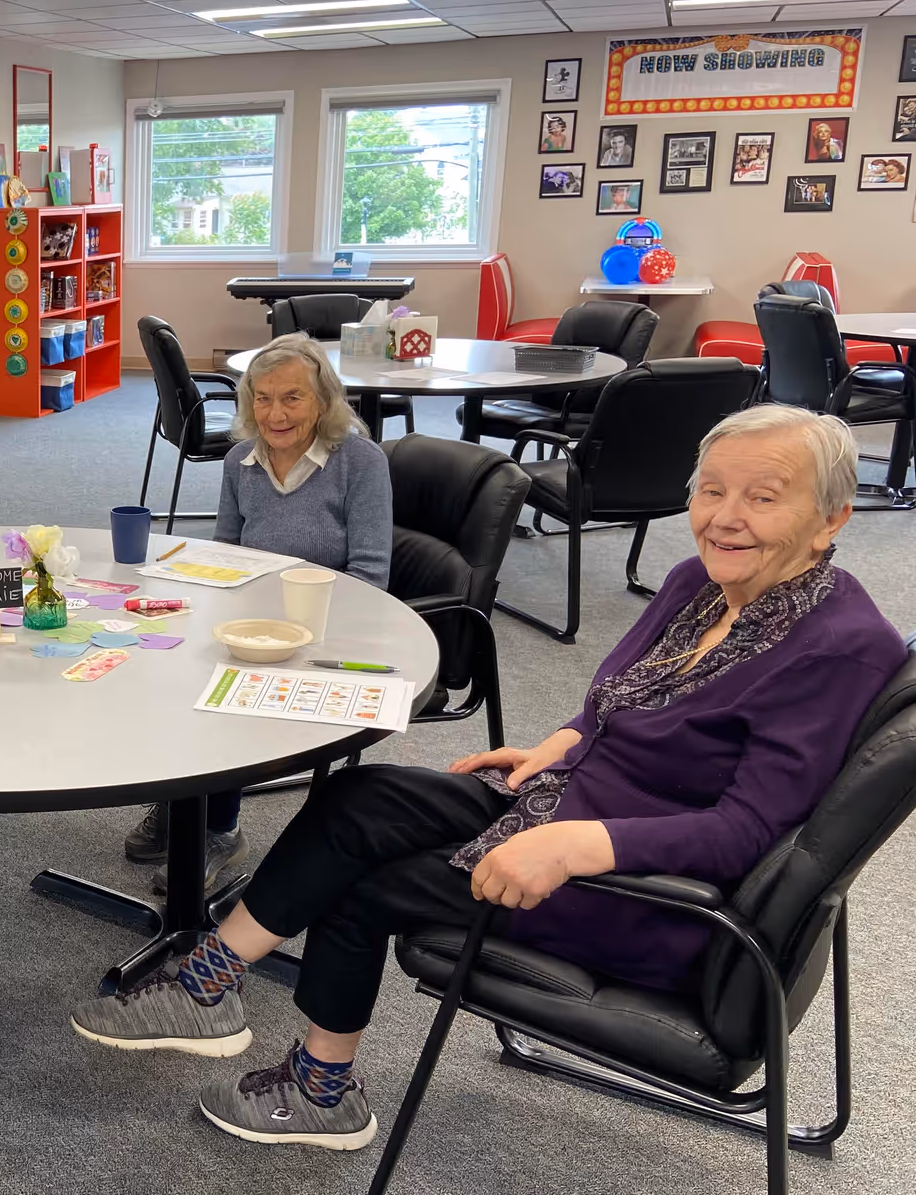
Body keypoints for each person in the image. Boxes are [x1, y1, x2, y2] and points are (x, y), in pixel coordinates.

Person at [73, 405, 905, 1150]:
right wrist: (569, 739)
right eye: (711, 490)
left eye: (764, 497)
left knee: (363, 885)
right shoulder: (697, 582)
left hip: (643, 888)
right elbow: (623, 702)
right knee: (361, 797)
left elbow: (747, 833)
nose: (725, 518)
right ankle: (211, 985)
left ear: (831, 517)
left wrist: (576, 844)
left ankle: (322, 1092)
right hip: (568, 799)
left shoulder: (836, 645)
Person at [124, 335, 392, 890]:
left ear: (324, 399)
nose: (275, 414)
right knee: (162, 662)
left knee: (225, 693)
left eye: (292, 398)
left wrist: (297, 632)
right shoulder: (238, 461)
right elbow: (223, 551)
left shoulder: (360, 463)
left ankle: (217, 827)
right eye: (262, 398)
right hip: (246, 621)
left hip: (322, 628)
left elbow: (371, 577)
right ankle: (181, 800)